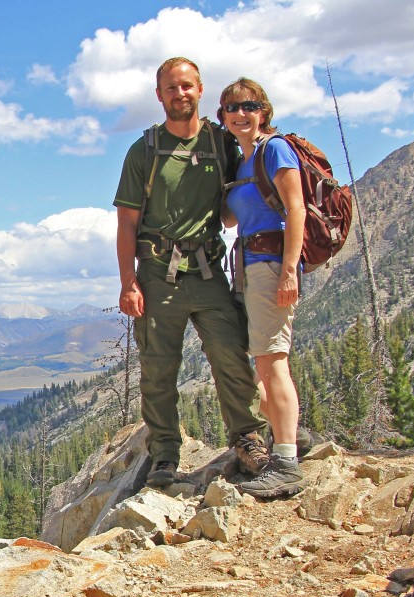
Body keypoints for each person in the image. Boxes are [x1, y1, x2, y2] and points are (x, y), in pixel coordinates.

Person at [114, 57, 268, 488]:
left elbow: (249, 178)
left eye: (186, 86)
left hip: (207, 271)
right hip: (157, 274)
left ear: (200, 90)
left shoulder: (222, 143)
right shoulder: (144, 150)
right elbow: (127, 222)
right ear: (159, 95)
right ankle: (164, 454)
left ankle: (248, 437)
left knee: (230, 354)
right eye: (170, 88)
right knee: (159, 369)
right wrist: (128, 281)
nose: (179, 94)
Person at [218, 76, 306, 498]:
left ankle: (286, 462)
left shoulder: (274, 149)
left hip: (271, 265)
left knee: (272, 364)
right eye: (231, 109)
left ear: (264, 111)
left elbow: (296, 208)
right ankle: (293, 437)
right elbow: (230, 220)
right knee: (261, 369)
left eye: (248, 106)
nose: (240, 114)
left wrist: (290, 270)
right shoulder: (243, 162)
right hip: (249, 265)